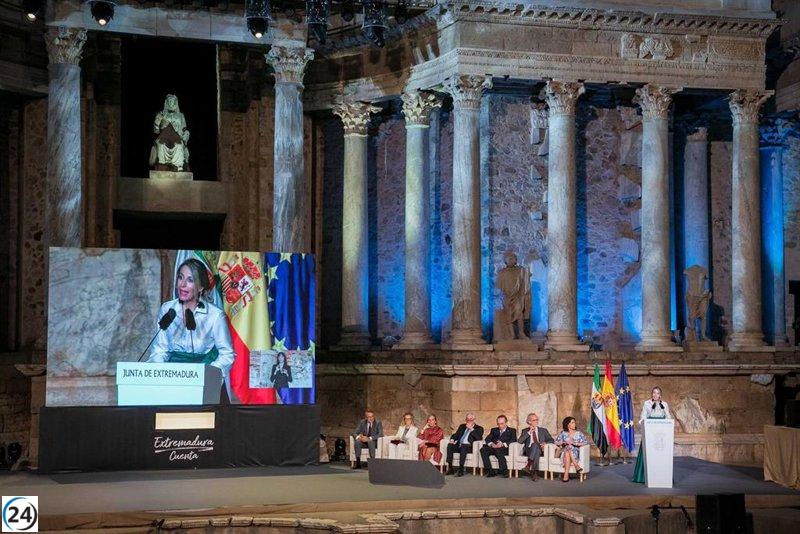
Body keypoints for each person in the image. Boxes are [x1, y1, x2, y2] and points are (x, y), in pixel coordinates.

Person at [148, 258, 234, 381]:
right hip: (171, 379)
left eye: (190, 280)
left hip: (204, 379)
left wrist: (208, 376)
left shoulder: (215, 316)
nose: (182, 285)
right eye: (180, 277)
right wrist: (159, 377)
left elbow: (227, 354)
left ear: (201, 287)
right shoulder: (167, 309)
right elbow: (160, 349)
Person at [633, 386, 671, 483]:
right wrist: (644, 422)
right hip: (650, 433)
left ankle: (661, 476)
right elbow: (642, 417)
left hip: (662, 433)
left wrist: (669, 423)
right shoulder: (647, 403)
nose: (655, 394)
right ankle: (644, 477)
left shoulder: (664, 404)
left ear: (660, 395)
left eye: (657, 393)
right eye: (654, 392)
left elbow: (668, 417)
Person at [517, 412, 554, 481]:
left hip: (541, 449)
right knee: (535, 446)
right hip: (529, 450)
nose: (536, 421)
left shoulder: (543, 430)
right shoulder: (525, 431)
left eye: (537, 419)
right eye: (534, 420)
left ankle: (528, 466)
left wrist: (545, 443)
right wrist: (529, 433)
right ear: (529, 422)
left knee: (536, 447)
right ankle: (535, 472)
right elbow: (519, 441)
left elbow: (551, 440)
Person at [554, 416, 589, 482]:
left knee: (569, 448)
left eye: (574, 422)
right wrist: (564, 442)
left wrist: (575, 443)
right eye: (572, 423)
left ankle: (566, 475)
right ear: (568, 424)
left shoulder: (579, 433)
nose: (574, 424)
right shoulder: (563, 433)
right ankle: (576, 466)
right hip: (565, 452)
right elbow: (556, 442)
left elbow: (585, 442)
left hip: (575, 452)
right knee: (567, 449)